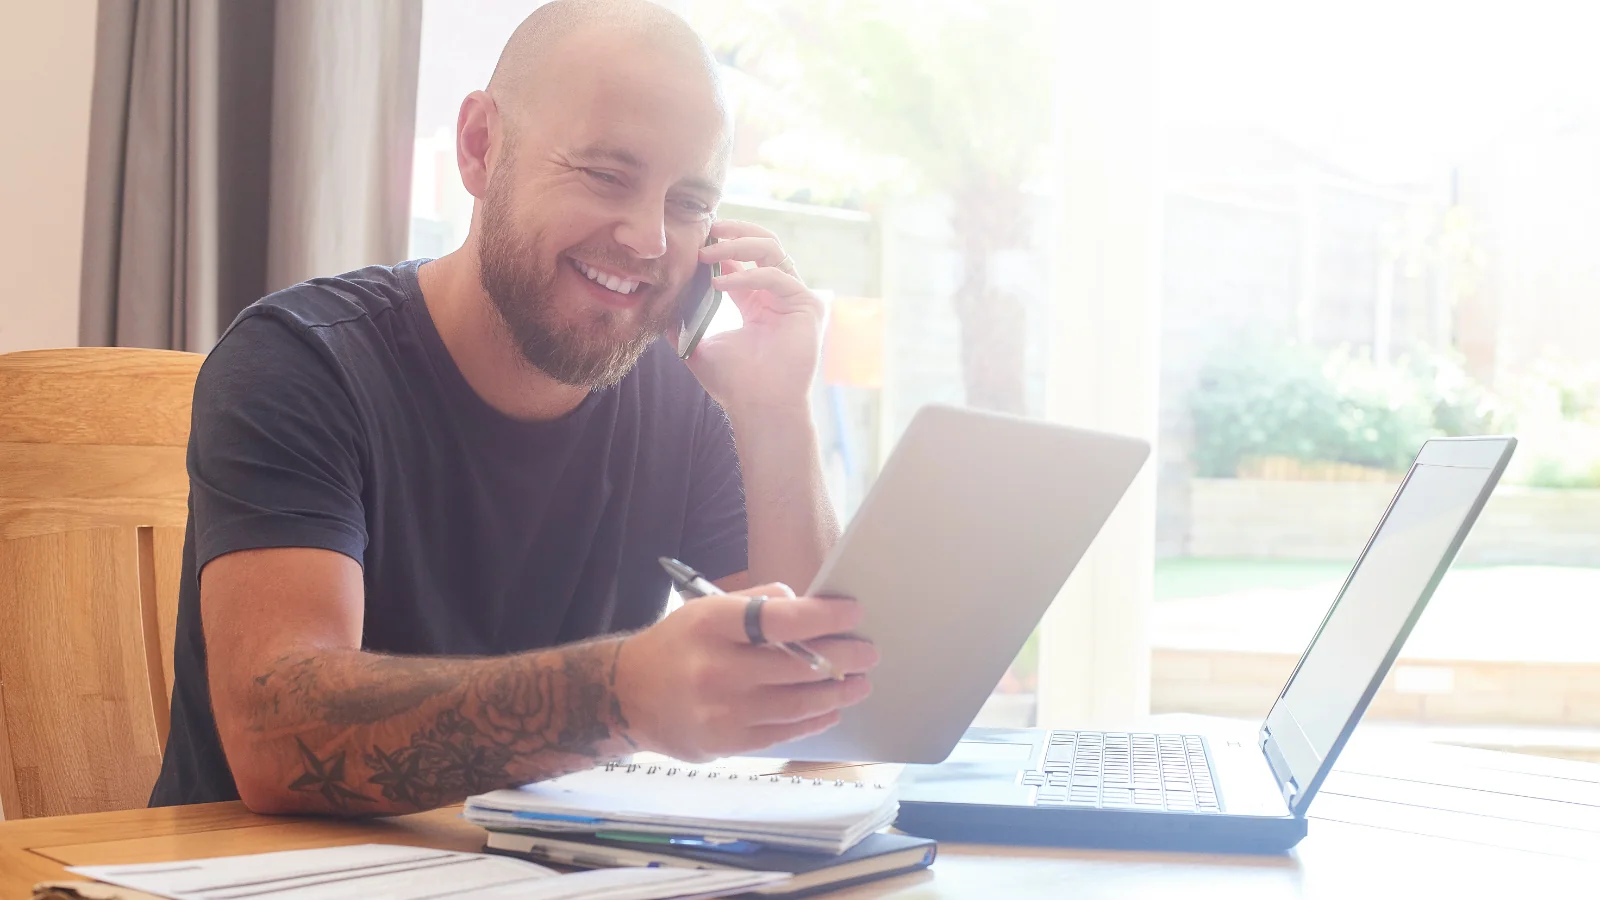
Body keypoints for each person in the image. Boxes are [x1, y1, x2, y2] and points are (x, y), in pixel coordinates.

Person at [148, 0, 877, 815]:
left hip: (539, 867)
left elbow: (829, 713)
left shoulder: (686, 398)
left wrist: (776, 413)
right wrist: (620, 696)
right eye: (606, 175)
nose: (648, 239)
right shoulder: (301, 362)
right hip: (262, 868)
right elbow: (278, 739)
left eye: (687, 203)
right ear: (480, 148)